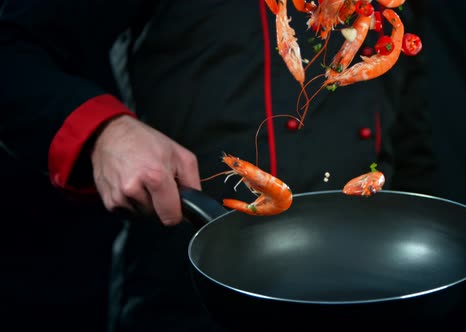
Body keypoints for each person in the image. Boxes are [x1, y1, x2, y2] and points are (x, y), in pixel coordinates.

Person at [0, 0, 437, 331]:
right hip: (187, 297)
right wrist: (105, 132)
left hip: (370, 301)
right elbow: (13, 55)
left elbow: (409, 132)